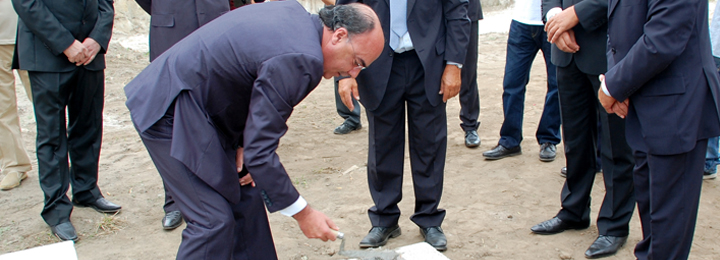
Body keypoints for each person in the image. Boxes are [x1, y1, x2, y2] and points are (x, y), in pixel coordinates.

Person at [125, 2, 385, 259]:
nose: (352, 72)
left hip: (203, 110)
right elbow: (261, 152)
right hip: (170, 109)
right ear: (339, 35)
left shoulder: (296, 17)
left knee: (244, 196)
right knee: (212, 221)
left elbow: (247, 85)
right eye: (356, 61)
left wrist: (242, 145)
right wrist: (304, 214)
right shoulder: (302, 58)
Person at [335, 0, 470, 252]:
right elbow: (343, 14)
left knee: (429, 143)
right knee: (382, 145)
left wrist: (455, 64)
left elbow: (457, 11)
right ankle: (384, 219)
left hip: (429, 63)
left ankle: (429, 219)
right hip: (376, 65)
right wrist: (344, 74)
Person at [601, 0, 720, 259]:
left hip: (676, 111)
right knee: (652, 223)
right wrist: (619, 80)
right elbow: (617, 26)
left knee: (668, 235)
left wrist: (613, 86)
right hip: (643, 103)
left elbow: (663, 37)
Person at [531, 0, 635, 258]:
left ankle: (615, 224)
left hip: (608, 49)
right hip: (565, 49)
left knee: (616, 147)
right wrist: (556, 17)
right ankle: (574, 211)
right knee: (575, 141)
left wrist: (574, 16)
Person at [12, 0, 122, 242]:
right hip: (47, 50)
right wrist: (66, 44)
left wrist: (98, 38)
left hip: (90, 52)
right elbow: (26, 3)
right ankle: (56, 210)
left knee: (89, 125)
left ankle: (86, 190)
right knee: (51, 135)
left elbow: (106, 3)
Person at [134, 0, 230, 231]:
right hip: (171, 28)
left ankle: (219, 188)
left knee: (220, 106)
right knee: (171, 117)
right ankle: (175, 200)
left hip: (216, 23)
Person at [482, 0, 560, 160]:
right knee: (512, 83)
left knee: (557, 84)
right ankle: (510, 140)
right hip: (522, 21)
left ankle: (548, 139)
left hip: (554, 20)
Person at [0, 0, 32, 191]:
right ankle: (14, 165)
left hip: (30, 32)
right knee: (2, 108)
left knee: (46, 103)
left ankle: (61, 159)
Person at [458, 0, 483, 148]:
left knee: (468, 72)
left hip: (467, 11)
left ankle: (470, 125)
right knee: (432, 71)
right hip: (432, 12)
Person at [704, 2, 720, 181]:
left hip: (716, 49)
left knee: (712, 105)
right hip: (714, 49)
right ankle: (709, 159)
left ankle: (709, 159)